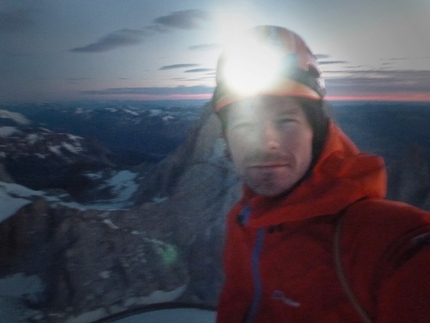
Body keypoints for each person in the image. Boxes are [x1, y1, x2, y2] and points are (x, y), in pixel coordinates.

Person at [212, 25, 430, 323]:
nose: (266, 142)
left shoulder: (379, 238)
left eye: (286, 120)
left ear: (317, 133)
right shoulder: (243, 221)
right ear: (227, 143)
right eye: (244, 126)